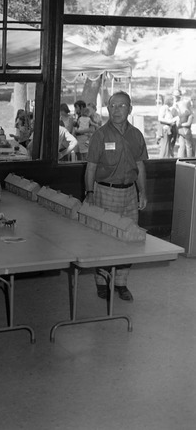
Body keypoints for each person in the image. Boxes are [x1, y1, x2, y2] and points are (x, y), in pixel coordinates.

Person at [84, 90, 148, 302]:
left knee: (129, 239)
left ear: (130, 109)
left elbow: (139, 166)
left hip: (129, 192)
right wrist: (90, 193)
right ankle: (102, 283)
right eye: (112, 106)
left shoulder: (136, 135)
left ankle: (121, 283)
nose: (116, 110)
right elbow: (90, 168)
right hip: (104, 191)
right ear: (107, 109)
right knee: (104, 239)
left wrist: (142, 192)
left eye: (121, 106)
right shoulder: (100, 135)